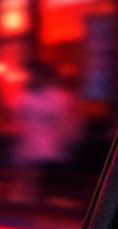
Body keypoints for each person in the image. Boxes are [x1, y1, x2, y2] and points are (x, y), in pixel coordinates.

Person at [14, 63, 79, 204]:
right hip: (42, 152)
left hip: (48, 152)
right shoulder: (26, 98)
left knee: (47, 192)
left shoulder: (59, 99)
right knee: (46, 193)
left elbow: (69, 126)